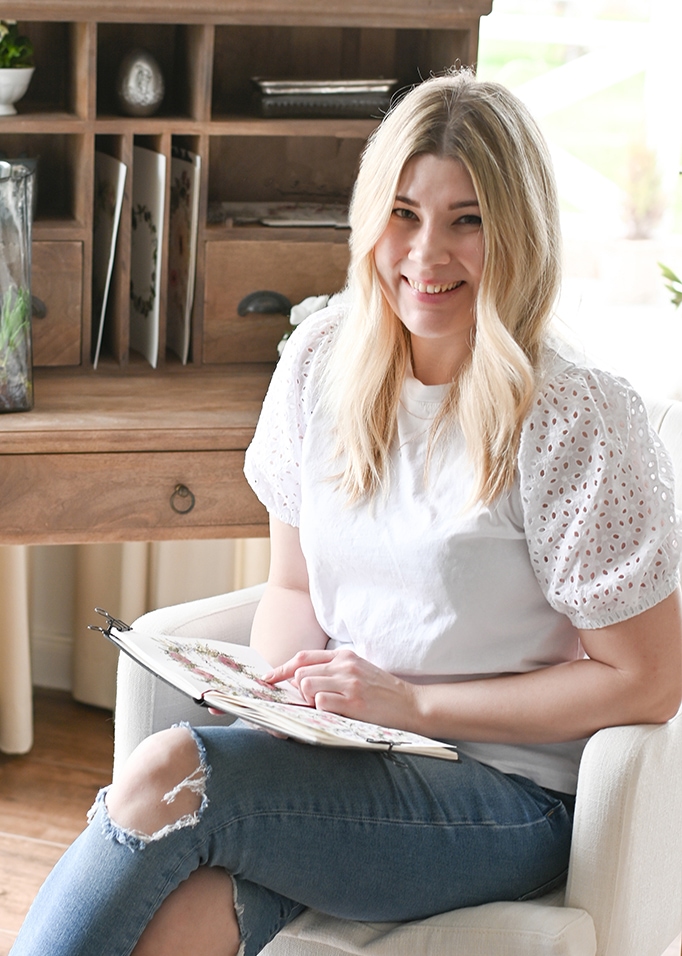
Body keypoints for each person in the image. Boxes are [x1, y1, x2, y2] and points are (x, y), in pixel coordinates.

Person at [11, 68, 682, 956]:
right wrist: (278, 707)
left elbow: (646, 679)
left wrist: (413, 705)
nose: (426, 254)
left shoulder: (570, 416)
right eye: (404, 213)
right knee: (178, 919)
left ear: (519, 230)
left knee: (173, 770)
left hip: (501, 797)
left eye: (467, 219)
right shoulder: (322, 362)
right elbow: (294, 584)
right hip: (349, 759)